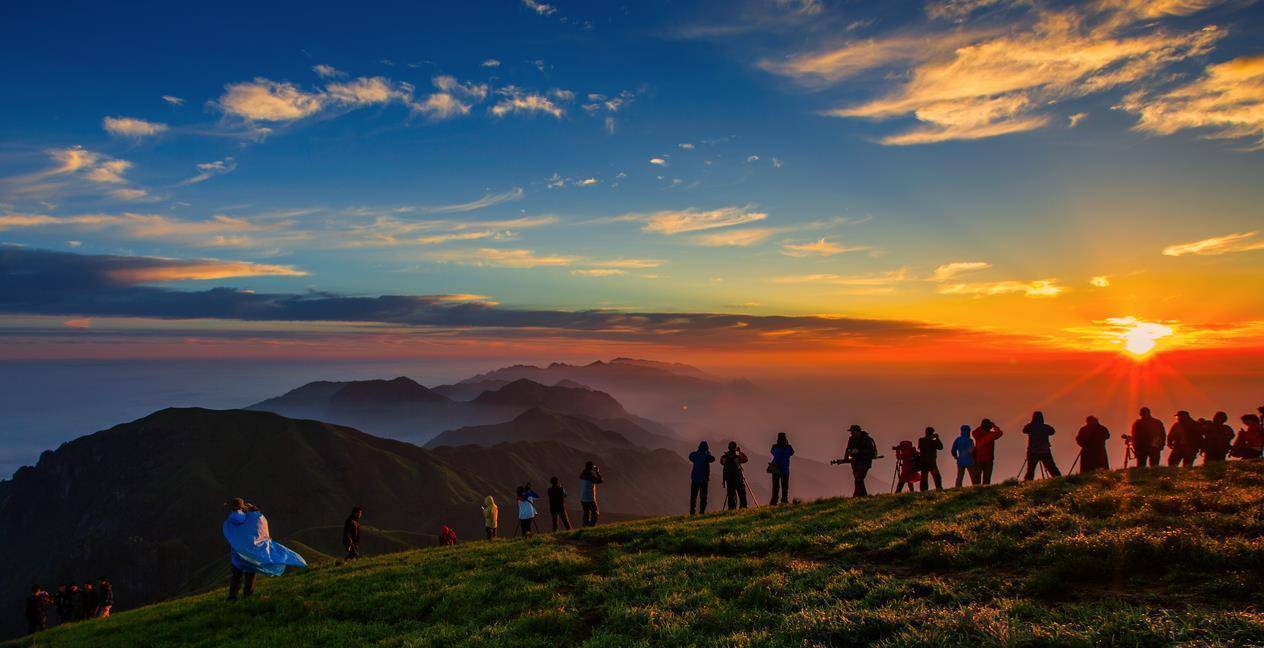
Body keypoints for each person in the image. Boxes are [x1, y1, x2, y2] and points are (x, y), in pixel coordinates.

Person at [223, 497, 307, 600]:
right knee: (250, 574)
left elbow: (231, 533)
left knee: (236, 575)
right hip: (253, 554)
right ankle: (248, 596)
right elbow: (260, 527)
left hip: (238, 554)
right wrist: (255, 510)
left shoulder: (231, 520)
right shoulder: (253, 517)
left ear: (232, 508)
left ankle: (232, 597)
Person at [839, 425, 878, 497]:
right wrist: (846, 459)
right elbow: (848, 450)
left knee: (858, 479)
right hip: (855, 463)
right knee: (858, 480)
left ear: (858, 431)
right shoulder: (851, 439)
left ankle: (857, 496)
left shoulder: (867, 439)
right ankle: (863, 496)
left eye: (852, 431)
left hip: (865, 463)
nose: (851, 433)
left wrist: (859, 451)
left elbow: (871, 451)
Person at [1022, 411, 1062, 480]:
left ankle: (1027, 482)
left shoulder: (1030, 427)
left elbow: (1024, 430)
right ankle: (1059, 479)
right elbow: (1052, 431)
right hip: (1044, 451)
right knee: (1051, 467)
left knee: (1031, 470)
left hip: (1033, 451)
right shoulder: (1045, 427)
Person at [971, 419, 1004, 485]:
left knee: (977, 477)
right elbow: (1000, 433)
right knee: (987, 478)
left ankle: (977, 490)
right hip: (988, 458)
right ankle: (986, 491)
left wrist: (981, 426)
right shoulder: (991, 435)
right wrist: (994, 426)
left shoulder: (977, 434)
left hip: (979, 458)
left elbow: (974, 432)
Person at [688, 441, 715, 515]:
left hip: (695, 479)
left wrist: (698, 452)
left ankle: (692, 512)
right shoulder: (707, 456)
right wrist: (708, 454)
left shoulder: (694, 455)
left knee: (693, 497)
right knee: (703, 497)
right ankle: (701, 512)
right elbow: (713, 459)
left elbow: (690, 456)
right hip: (704, 480)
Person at [720, 441, 749, 510]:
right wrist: (739, 452)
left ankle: (731, 508)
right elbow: (745, 459)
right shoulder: (737, 456)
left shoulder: (725, 456)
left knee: (731, 494)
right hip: (738, 477)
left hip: (729, 478)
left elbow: (721, 462)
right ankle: (743, 507)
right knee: (741, 493)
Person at [769, 432, 795, 505]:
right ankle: (784, 500)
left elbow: (772, 452)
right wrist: (787, 443)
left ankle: (774, 501)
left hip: (776, 469)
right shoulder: (788, 448)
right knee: (785, 486)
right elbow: (792, 452)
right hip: (785, 469)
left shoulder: (774, 447)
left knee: (775, 487)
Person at [579, 462, 602, 527]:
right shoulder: (590, 475)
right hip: (589, 498)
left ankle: (584, 527)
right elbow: (600, 481)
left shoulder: (583, 474)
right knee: (595, 514)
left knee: (586, 514)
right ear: (591, 467)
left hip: (583, 498)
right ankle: (591, 526)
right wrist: (597, 472)